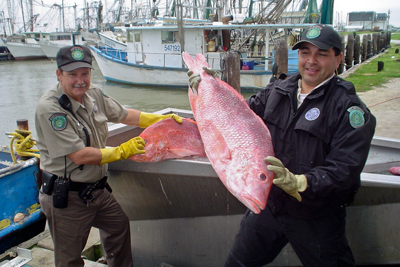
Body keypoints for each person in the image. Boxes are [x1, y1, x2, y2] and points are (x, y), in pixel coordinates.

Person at [189, 24, 376, 266]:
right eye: (305, 53)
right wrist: (210, 89)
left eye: (322, 54)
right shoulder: (277, 90)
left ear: (338, 58)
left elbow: (345, 172)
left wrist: (301, 183)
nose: (311, 61)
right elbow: (237, 118)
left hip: (315, 216)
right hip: (269, 206)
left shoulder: (350, 110)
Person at [35, 44, 182, 267]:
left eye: (85, 73)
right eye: (72, 74)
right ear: (59, 74)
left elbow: (124, 115)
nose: (80, 80)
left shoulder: (92, 93)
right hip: (67, 197)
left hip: (96, 190)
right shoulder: (51, 109)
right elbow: (80, 155)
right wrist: (123, 150)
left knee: (118, 226)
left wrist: (161, 120)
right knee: (69, 259)